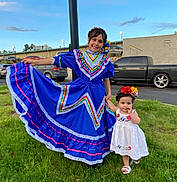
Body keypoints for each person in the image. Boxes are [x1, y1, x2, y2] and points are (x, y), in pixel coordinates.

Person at [6, 27, 116, 165]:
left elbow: (106, 77)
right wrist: (35, 62)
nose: (96, 43)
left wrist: (109, 92)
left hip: (97, 94)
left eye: (100, 41)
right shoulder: (78, 56)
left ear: (103, 43)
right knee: (82, 121)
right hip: (80, 92)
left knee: (96, 122)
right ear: (88, 40)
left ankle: (95, 154)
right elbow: (56, 60)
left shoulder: (105, 61)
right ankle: (86, 153)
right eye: (94, 40)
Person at [106, 86, 149, 174]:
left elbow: (137, 121)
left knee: (133, 148)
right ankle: (126, 165)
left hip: (131, 135)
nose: (125, 105)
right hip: (121, 135)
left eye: (128, 103)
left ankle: (136, 158)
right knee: (124, 149)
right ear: (118, 103)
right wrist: (107, 100)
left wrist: (130, 114)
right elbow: (112, 107)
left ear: (132, 104)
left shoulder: (133, 112)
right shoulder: (118, 110)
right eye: (122, 103)